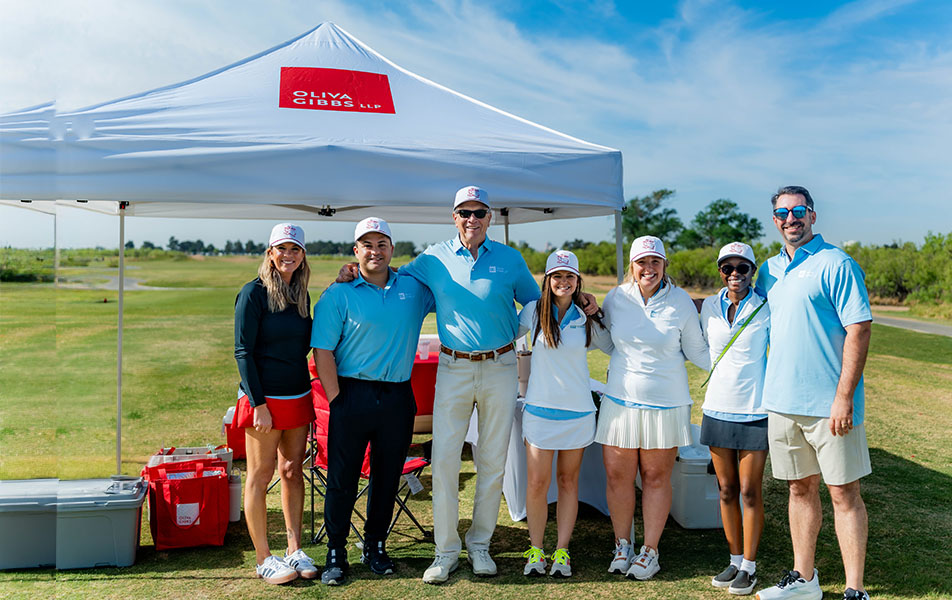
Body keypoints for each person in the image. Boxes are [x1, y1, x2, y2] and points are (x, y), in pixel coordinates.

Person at [754, 186, 872, 600]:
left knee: (844, 493)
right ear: (775, 220)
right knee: (799, 489)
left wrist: (844, 397)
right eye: (783, 212)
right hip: (783, 404)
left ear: (813, 216)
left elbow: (859, 328)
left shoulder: (836, 263)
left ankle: (855, 590)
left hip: (830, 406)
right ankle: (804, 582)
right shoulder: (768, 270)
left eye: (798, 210)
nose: (791, 218)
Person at [311, 217, 434, 586]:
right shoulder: (338, 293)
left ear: (392, 250)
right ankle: (336, 551)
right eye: (367, 244)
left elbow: (451, 291)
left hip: (397, 396)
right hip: (352, 394)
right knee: (342, 479)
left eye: (382, 244)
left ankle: (376, 546)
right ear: (355, 251)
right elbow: (323, 352)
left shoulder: (413, 289)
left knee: (386, 478)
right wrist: (337, 400)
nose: (375, 251)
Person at [597, 235, 710, 581]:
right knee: (618, 477)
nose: (649, 268)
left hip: (666, 404)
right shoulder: (616, 298)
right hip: (619, 402)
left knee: (655, 477)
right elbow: (604, 343)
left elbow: (700, 354)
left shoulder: (680, 302)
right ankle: (622, 545)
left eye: (655, 262)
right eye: (642, 262)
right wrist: (588, 312)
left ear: (664, 266)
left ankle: (650, 551)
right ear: (632, 266)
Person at [517, 250, 610, 579]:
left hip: (577, 413)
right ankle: (536, 549)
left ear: (578, 280)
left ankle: (562, 551)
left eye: (569, 276)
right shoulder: (532, 312)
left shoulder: (586, 316)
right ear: (547, 280)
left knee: (569, 483)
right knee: (537, 484)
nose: (563, 282)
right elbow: (503, 334)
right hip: (540, 413)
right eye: (557, 276)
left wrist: (598, 311)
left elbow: (611, 345)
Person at [233, 223, 318, 585]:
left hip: (298, 396)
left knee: (292, 472)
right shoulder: (252, 294)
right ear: (270, 253)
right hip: (264, 401)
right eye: (281, 249)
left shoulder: (301, 294)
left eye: (295, 249)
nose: (288, 255)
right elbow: (243, 351)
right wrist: (259, 403)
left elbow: (304, 345)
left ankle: (294, 548)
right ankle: (264, 558)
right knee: (260, 475)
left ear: (302, 256)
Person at [699, 241, 770, 596]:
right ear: (720, 272)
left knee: (749, 491)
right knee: (725, 490)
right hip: (716, 408)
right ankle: (734, 559)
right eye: (727, 268)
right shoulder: (709, 307)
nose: (735, 275)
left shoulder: (767, 307)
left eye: (742, 268)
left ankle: (751, 567)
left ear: (752, 272)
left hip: (755, 410)